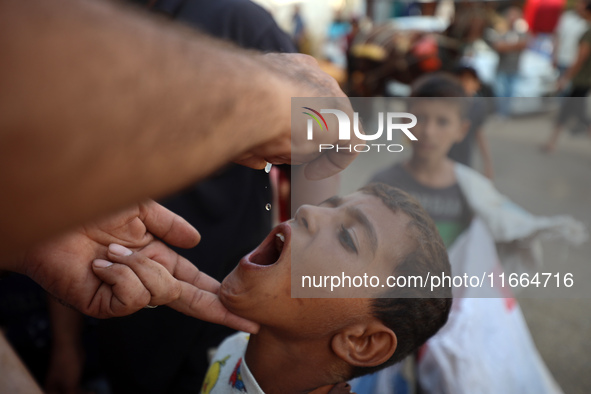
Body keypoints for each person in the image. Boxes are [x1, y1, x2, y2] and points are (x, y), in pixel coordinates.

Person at [0, 0, 359, 260]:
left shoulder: (239, 18)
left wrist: (309, 260)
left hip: (226, 263)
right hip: (108, 259)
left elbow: (317, 159)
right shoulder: (65, 22)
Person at [101, 183, 453, 394]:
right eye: (329, 205)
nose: (307, 210)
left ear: (361, 341)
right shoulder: (232, 349)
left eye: (348, 237)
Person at [367, 74, 583, 393]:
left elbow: (501, 227)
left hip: (449, 313)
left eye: (442, 121)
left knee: (442, 377)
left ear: (461, 130)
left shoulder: (470, 190)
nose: (428, 130)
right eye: (419, 118)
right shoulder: (383, 183)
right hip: (393, 310)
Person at [543, 0, 591, 152]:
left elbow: (580, 58)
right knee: (571, 110)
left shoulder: (588, 33)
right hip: (583, 79)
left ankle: (552, 142)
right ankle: (552, 142)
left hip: (581, 79)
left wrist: (566, 77)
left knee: (573, 111)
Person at [449, 65, 494, 180]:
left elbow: (479, 133)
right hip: (442, 158)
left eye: (468, 80)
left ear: (477, 84)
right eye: (459, 79)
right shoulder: (447, 104)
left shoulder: (479, 106)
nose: (463, 84)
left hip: (464, 161)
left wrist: (487, 163)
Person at [488, 6, 529, 117]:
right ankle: (502, 114)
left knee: (510, 94)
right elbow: (498, 46)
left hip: (514, 68)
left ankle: (506, 114)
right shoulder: (501, 32)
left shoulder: (522, 33)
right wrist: (514, 46)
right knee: (501, 94)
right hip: (502, 68)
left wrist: (507, 46)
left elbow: (524, 44)